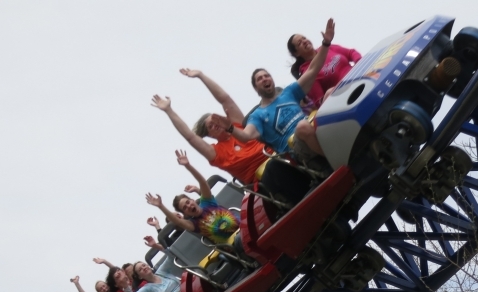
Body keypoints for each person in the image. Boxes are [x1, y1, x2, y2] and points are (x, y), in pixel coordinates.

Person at [231, 19, 336, 160]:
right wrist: (230, 129)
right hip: (297, 148)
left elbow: (313, 69)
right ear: (256, 88)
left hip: (312, 127)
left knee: (331, 93)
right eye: (260, 79)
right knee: (302, 127)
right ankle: (334, 158)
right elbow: (245, 136)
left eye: (266, 76)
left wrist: (326, 43)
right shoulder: (257, 115)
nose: (264, 79)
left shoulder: (289, 93)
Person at [151, 69, 271, 185]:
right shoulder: (215, 152)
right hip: (263, 179)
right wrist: (168, 110)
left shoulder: (238, 125)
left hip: (277, 154)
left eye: (215, 120)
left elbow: (225, 99)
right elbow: (190, 136)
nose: (215, 125)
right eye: (210, 126)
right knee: (274, 169)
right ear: (209, 135)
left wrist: (201, 75)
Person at [145, 151, 240, 244]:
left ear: (193, 200)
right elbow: (177, 221)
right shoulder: (194, 224)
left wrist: (188, 166)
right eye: (185, 208)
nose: (189, 206)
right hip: (234, 244)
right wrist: (161, 206)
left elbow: (203, 182)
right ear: (185, 213)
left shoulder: (207, 203)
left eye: (188, 202)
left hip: (242, 227)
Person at [288, 33, 361, 108]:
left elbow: (351, 52)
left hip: (360, 77)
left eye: (304, 38)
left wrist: (359, 63)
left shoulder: (326, 48)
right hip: (349, 96)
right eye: (299, 43)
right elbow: (321, 102)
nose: (304, 41)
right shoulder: (308, 74)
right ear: (296, 53)